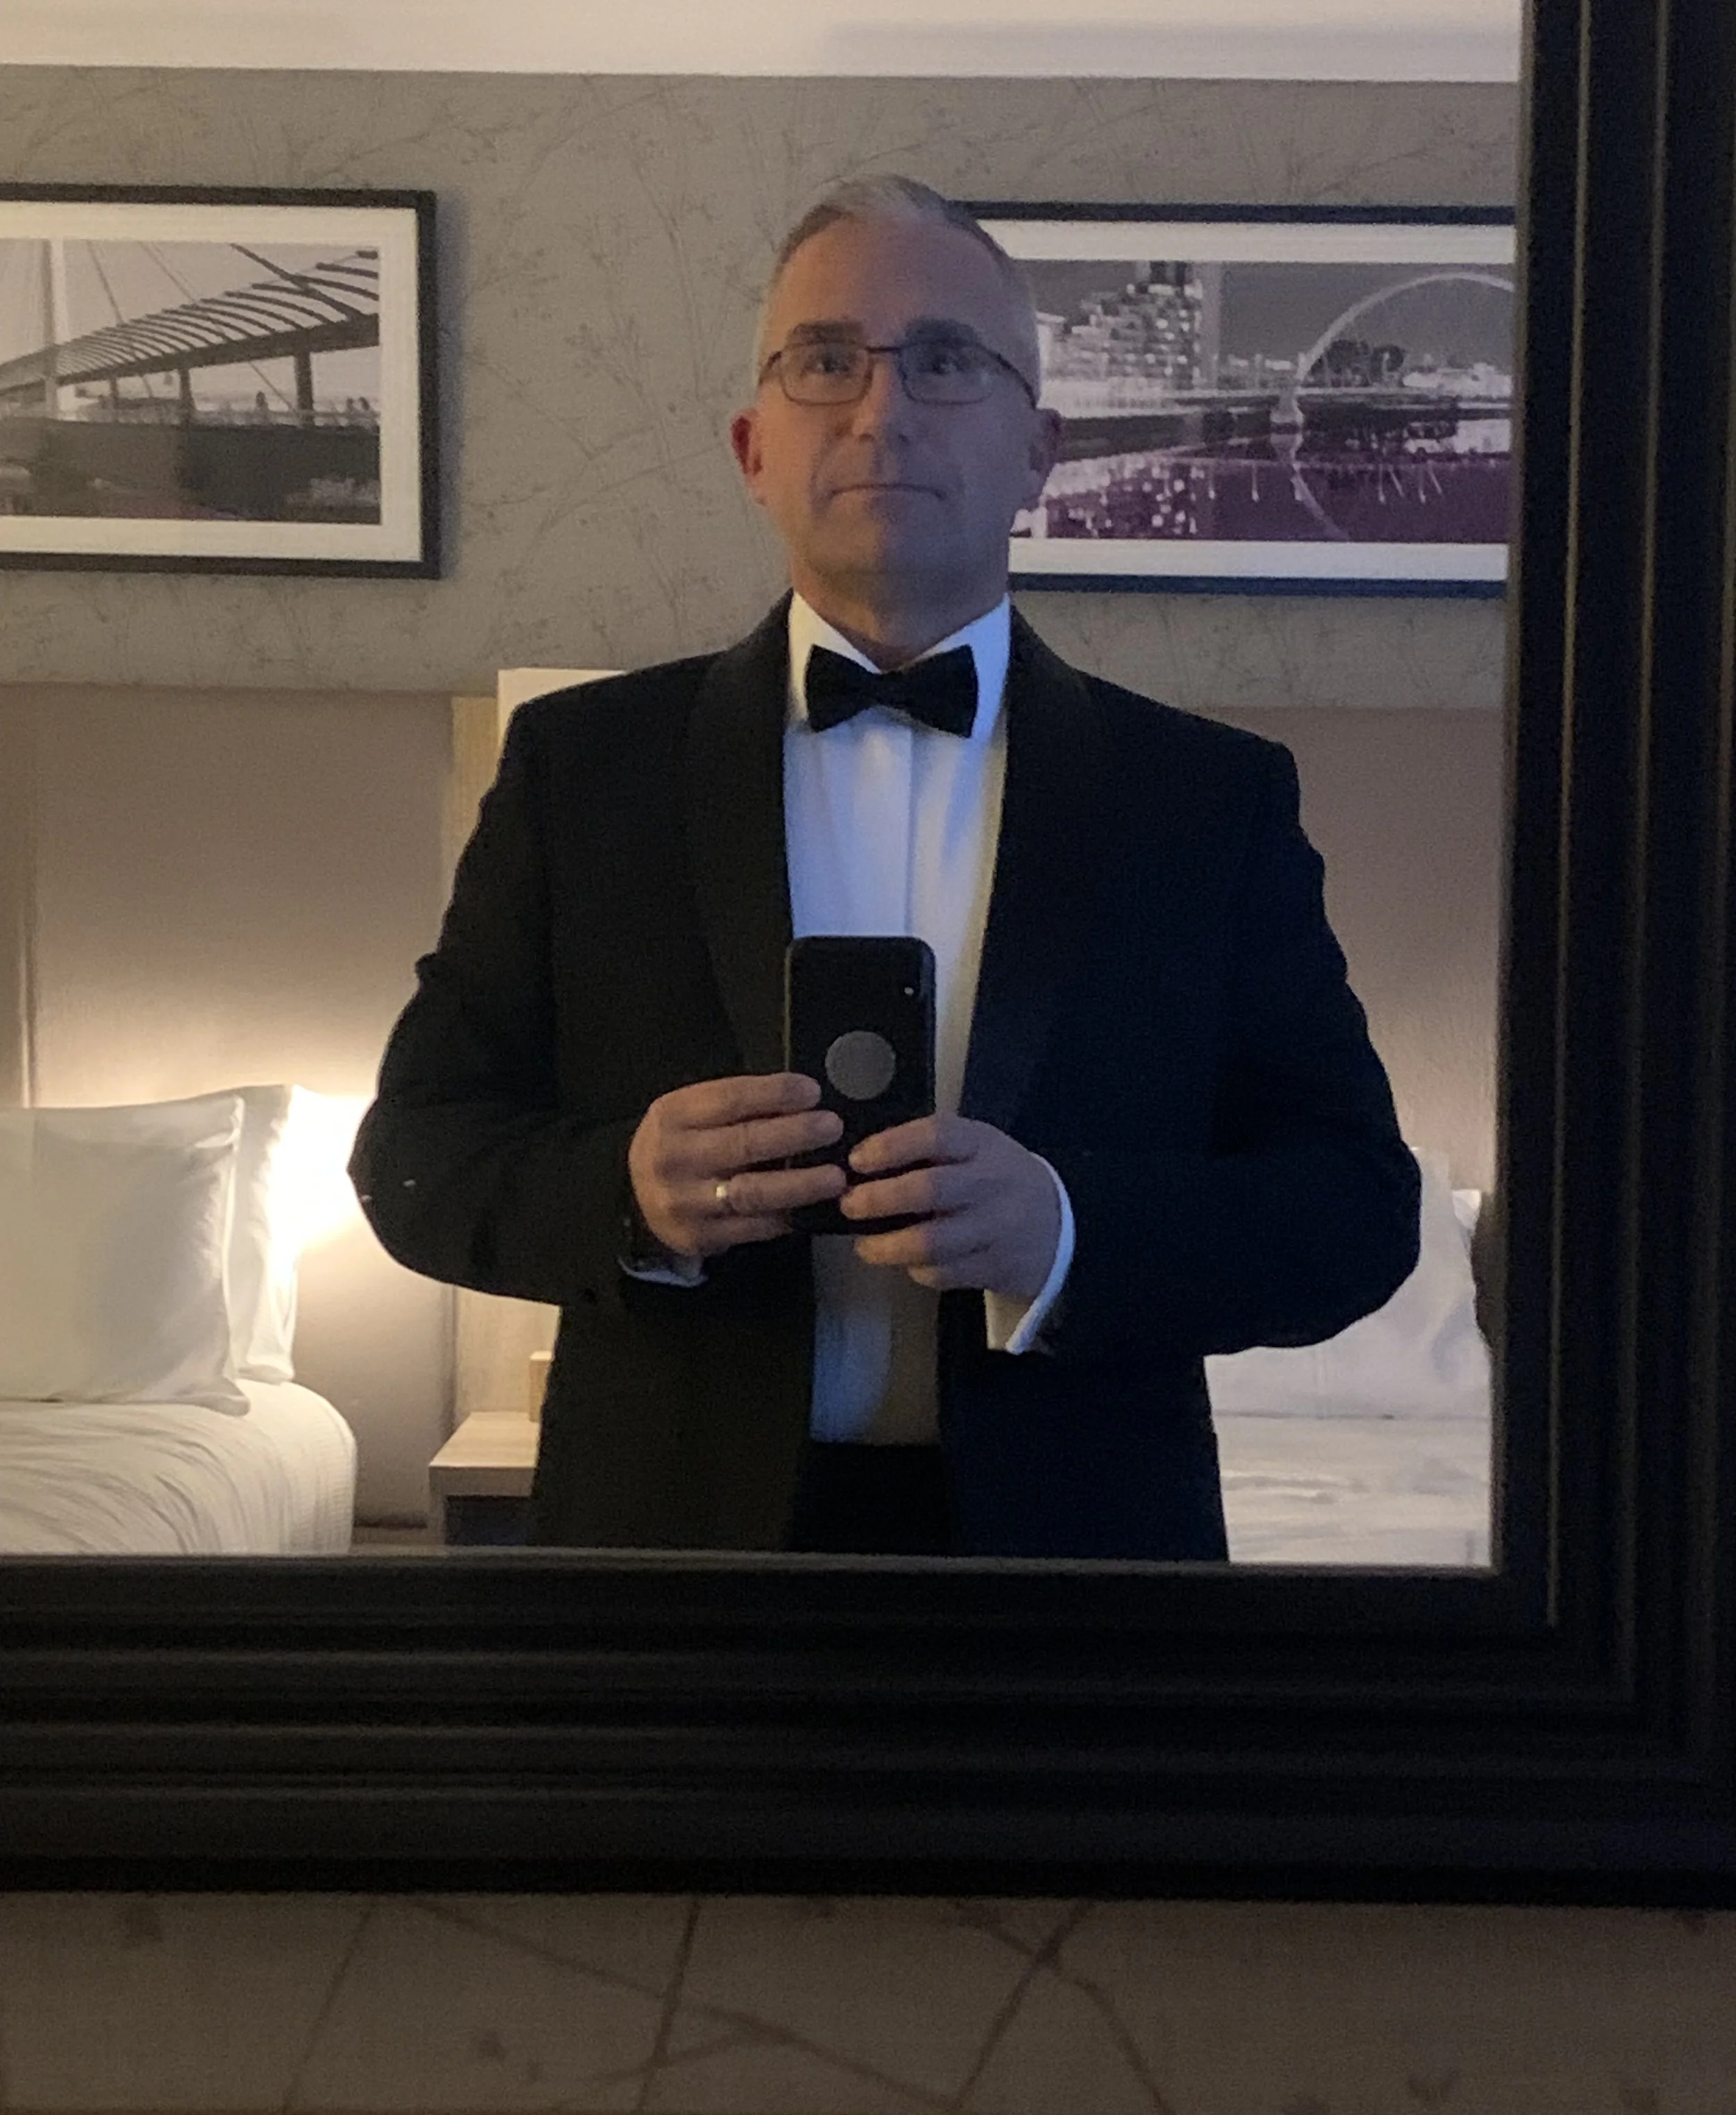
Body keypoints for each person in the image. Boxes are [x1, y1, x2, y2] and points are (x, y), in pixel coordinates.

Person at [350, 175, 1419, 1559]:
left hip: (1084, 1578)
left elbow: (1353, 1206)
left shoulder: (1207, 800)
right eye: (824, 359)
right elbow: (416, 1152)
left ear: (1039, 451)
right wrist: (627, 1192)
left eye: (945, 359)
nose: (880, 409)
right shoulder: (580, 769)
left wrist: (1069, 1230)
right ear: (753, 448)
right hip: (666, 1571)